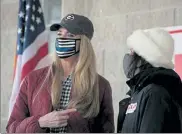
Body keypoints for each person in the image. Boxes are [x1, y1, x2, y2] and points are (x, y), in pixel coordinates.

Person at [7, 13, 114, 133]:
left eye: (70, 35)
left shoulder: (100, 85)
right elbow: (12, 128)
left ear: (83, 43)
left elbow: (106, 130)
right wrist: (40, 122)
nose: (62, 39)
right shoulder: (32, 80)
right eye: (60, 34)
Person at [117, 28, 182, 133]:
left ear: (145, 58)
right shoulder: (140, 94)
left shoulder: (155, 94)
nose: (129, 56)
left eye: (132, 52)